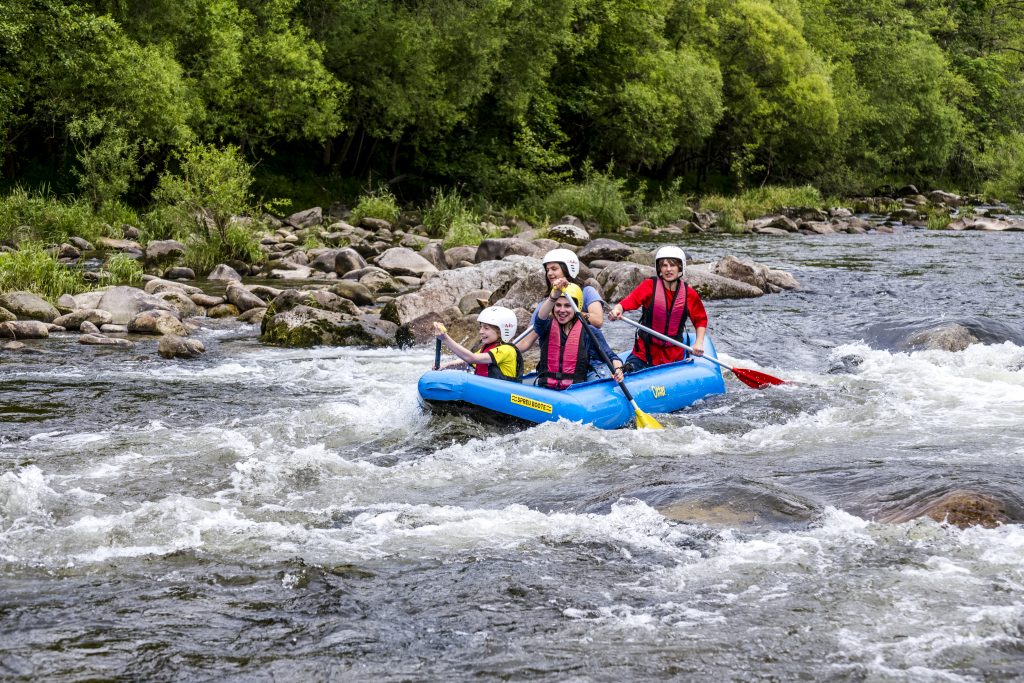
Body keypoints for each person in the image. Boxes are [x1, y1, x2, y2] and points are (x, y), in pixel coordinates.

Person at [606, 245, 707, 373]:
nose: (668, 269)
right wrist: (617, 309)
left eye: (672, 265)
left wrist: (699, 343)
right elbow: (629, 301)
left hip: (673, 355)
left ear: (680, 267)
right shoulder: (649, 286)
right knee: (624, 374)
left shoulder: (689, 294)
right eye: (664, 265)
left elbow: (700, 320)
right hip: (644, 353)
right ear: (659, 268)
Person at [534, 284, 623, 389]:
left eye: (567, 306)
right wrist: (553, 297)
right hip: (546, 388)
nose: (562, 310)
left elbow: (612, 357)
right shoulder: (545, 327)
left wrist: (618, 369)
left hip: (575, 392)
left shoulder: (589, 332)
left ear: (577, 307)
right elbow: (539, 319)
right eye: (558, 305)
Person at [516, 248, 604, 352]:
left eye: (554, 269)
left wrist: (567, 314)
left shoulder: (587, 291)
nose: (549, 273)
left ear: (568, 269)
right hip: (556, 356)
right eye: (547, 270)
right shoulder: (546, 303)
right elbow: (526, 341)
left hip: (585, 355)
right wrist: (505, 351)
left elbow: (598, 321)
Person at [432, 306, 524, 381]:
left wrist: (445, 339)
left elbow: (471, 358)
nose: (481, 331)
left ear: (501, 331)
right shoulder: (490, 348)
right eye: (481, 327)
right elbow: (466, 362)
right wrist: (445, 366)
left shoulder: (506, 350)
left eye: (486, 328)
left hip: (502, 393)